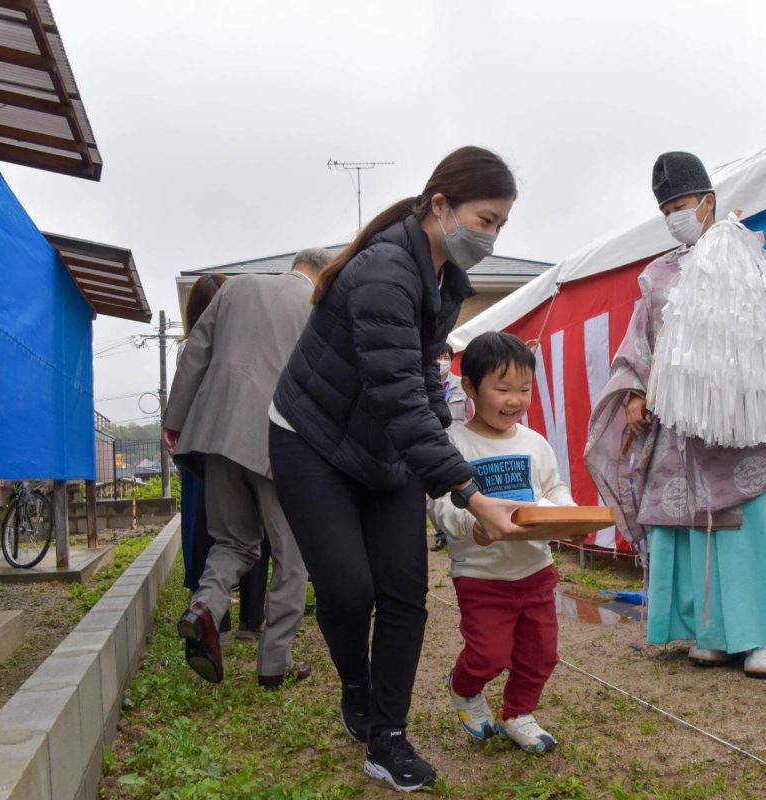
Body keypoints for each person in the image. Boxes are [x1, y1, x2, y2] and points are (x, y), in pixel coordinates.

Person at [268, 146, 528, 793]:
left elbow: (423, 388)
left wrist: (447, 465)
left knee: (405, 590)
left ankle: (388, 735)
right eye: (485, 219)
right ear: (440, 206)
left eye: (500, 225)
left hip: (383, 447)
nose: (490, 237)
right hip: (314, 441)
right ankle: (355, 686)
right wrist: (467, 490)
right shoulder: (386, 271)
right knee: (349, 588)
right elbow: (398, 395)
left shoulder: (442, 283)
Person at [585, 151, 766, 680]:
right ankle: (712, 633)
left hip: (734, 422)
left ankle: (765, 635)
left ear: (708, 202)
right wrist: (636, 391)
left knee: (746, 526)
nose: (673, 214)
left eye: (681, 203)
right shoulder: (657, 274)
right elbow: (640, 339)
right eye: (665, 207)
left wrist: (728, 391)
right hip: (677, 424)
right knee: (682, 521)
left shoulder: (751, 257)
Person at [164, 247, 331, 689]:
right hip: (282, 442)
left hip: (216, 433)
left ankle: (204, 607)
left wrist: (174, 422)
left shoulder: (236, 286)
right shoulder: (318, 307)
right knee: (290, 557)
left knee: (233, 542)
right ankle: (274, 662)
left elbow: (196, 351)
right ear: (322, 274)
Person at [427, 331, 572, 754]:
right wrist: (469, 526)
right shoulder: (453, 442)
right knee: (489, 654)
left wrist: (567, 513)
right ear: (470, 386)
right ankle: (464, 687)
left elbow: (554, 488)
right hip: (481, 575)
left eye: (524, 389)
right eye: (502, 388)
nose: (515, 400)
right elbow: (439, 502)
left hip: (535, 569)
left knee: (541, 655)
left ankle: (517, 714)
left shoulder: (535, 442)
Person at [177, 272, 271, 641]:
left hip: (201, 452)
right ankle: (252, 617)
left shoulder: (192, 347)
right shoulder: (246, 345)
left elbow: (181, 404)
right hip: (248, 446)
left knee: (208, 534)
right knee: (252, 532)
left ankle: (212, 614)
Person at [429, 344, 472, 551]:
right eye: (439, 356)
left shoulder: (462, 386)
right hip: (431, 442)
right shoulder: (424, 385)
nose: (443, 361)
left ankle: (461, 526)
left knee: (459, 485)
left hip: (458, 442)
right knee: (431, 492)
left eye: (447, 356)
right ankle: (440, 532)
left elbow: (469, 414)